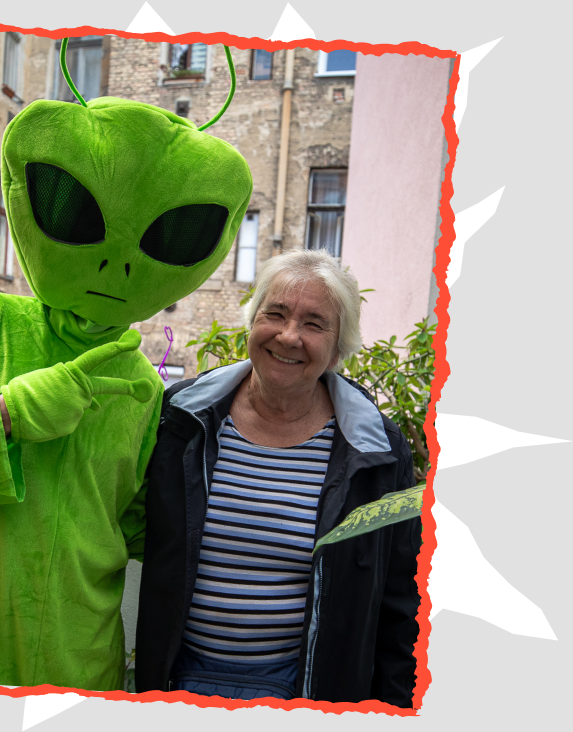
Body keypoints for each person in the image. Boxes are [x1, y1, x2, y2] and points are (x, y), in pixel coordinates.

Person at [0, 45, 253, 691]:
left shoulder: (141, 385)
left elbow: (134, 522)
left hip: (82, 652)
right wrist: (6, 417)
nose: (116, 266)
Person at [135, 249, 421, 707]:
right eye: (276, 314)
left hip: (305, 693)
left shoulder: (377, 452)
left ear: (338, 348)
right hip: (178, 683)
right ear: (252, 322)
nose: (289, 336)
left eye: (314, 324)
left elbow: (400, 601)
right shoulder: (182, 420)